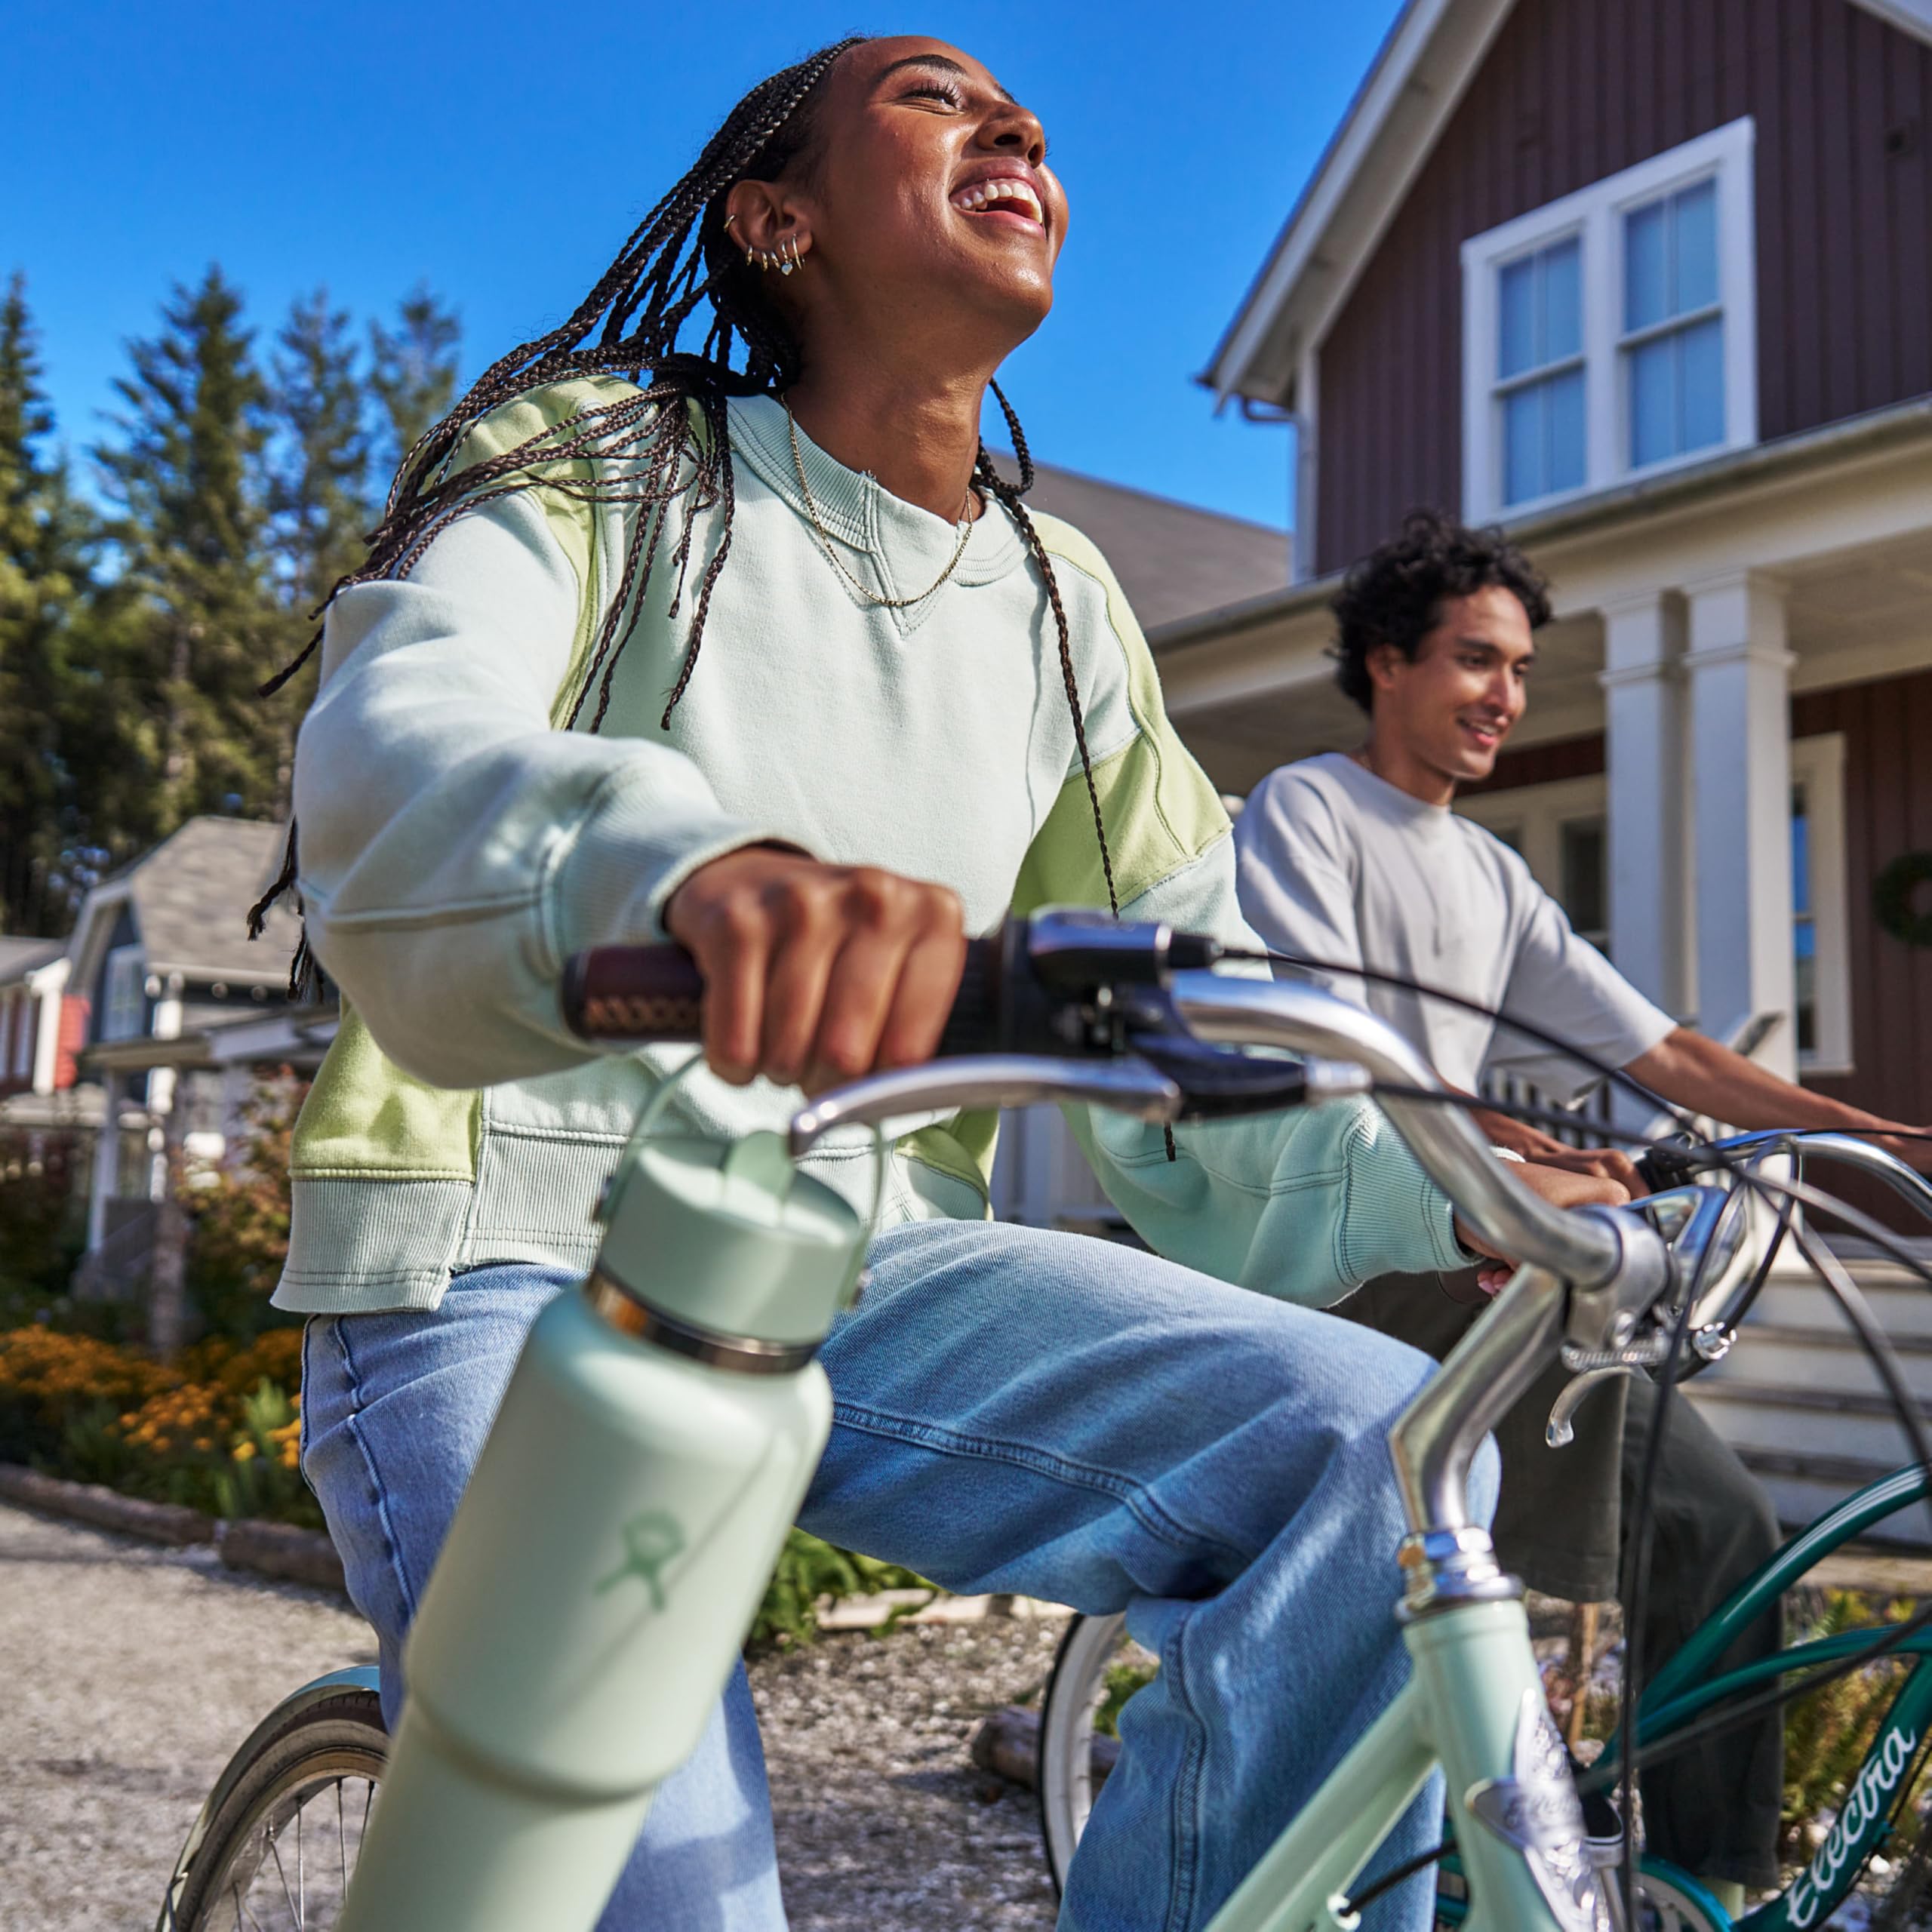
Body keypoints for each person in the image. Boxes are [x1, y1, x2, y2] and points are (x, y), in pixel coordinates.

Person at [263, 44, 1620, 1932]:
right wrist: (691, 873)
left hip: (862, 1252)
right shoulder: (603, 462)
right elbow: (402, 745)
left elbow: (1199, 1010)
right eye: (932, 98)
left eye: (1030, 121)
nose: (1021, 132)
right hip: (509, 1235)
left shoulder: (1061, 600)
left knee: (1375, 1455)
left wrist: (1447, 1162)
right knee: (663, 1874)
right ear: (776, 216)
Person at [1232, 509, 1932, 1906]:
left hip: (1492, 1251)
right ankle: (1665, 1876)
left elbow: (1665, 1053)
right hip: (1362, 1250)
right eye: (1475, 662)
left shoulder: (1490, 872)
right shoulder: (1310, 810)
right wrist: (1506, 1144)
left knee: (1704, 1528)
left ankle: (1686, 1882)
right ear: (1385, 664)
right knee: (1671, 1522)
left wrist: (1869, 1137)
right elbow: (1336, 1050)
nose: (1504, 695)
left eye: (1520, 671)